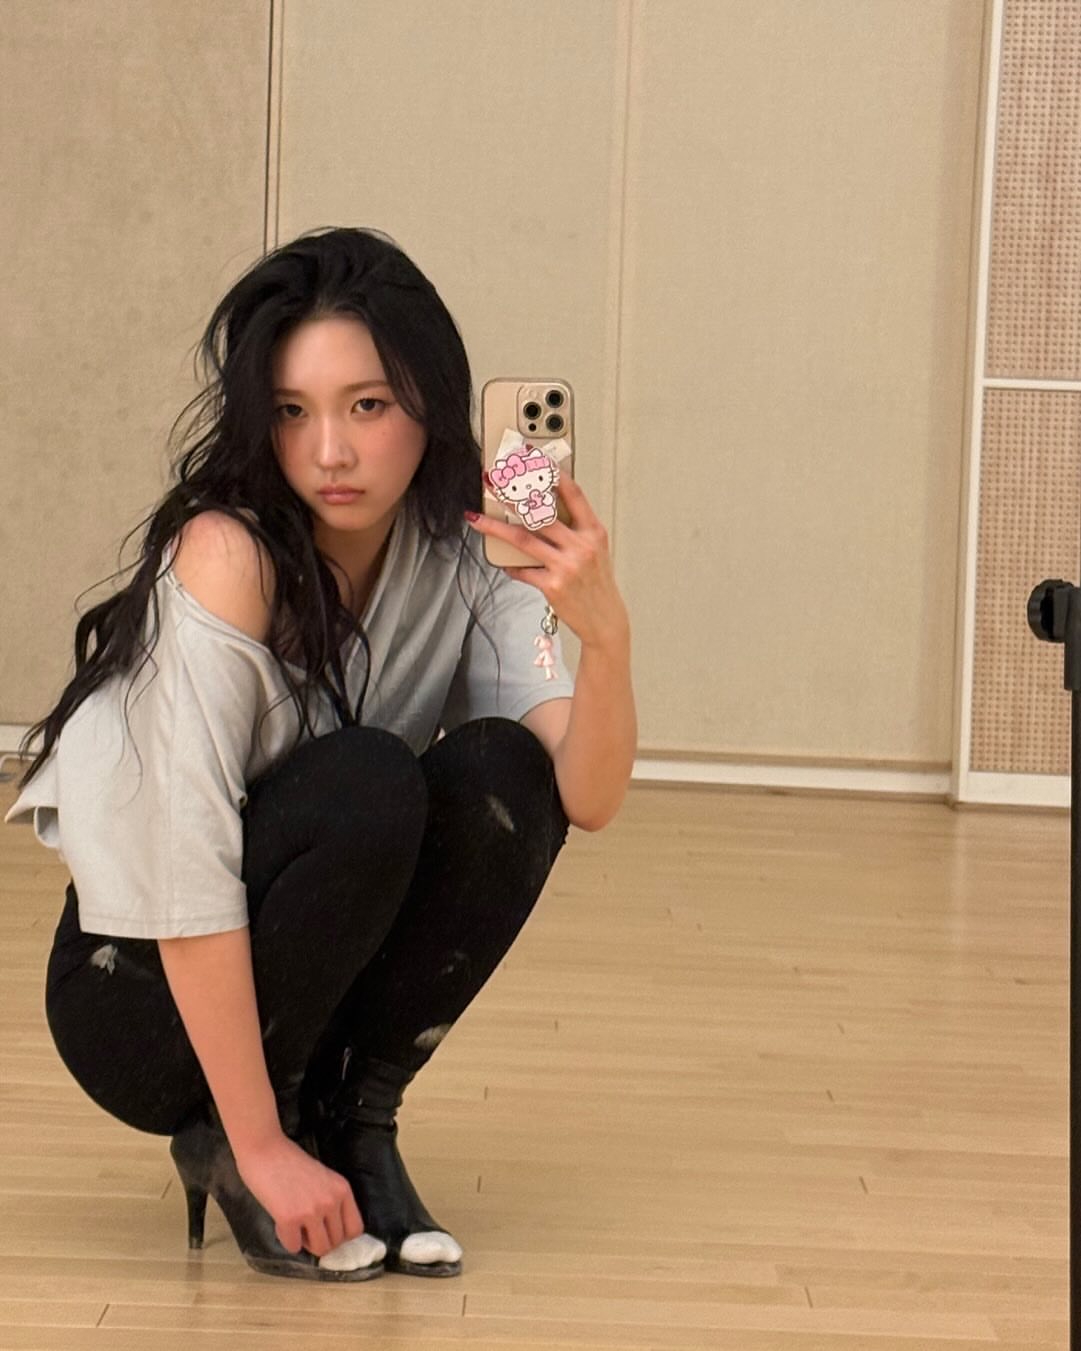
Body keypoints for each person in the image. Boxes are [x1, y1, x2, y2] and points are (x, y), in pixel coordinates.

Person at [4, 226, 636, 1282]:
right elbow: (187, 868)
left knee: (501, 770)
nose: (329, 452)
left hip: (291, 977)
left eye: (367, 406)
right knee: (368, 778)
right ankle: (253, 1132)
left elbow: (583, 790)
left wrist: (605, 637)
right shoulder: (226, 554)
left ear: (430, 405)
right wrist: (256, 1147)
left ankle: (356, 1122)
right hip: (138, 993)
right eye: (293, 411)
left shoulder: (467, 543)